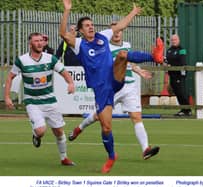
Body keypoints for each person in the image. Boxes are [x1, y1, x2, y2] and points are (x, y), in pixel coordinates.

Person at [59, 0, 163, 173]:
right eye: (86, 26)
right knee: (106, 127)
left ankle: (155, 57)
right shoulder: (79, 44)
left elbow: (120, 25)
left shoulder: (103, 36)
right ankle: (111, 156)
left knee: (122, 55)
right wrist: (67, 10)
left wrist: (133, 12)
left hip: (114, 79)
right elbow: (63, 33)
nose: (91, 27)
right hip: (101, 90)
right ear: (81, 30)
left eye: (92, 24)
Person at [4, 32, 75, 166]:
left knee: (59, 132)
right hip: (32, 102)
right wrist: (7, 97)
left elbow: (64, 72)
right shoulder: (22, 60)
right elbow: (10, 78)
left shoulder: (50, 59)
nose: (39, 43)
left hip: (50, 101)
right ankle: (36, 135)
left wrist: (70, 83)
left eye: (41, 41)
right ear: (30, 44)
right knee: (41, 131)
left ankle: (64, 158)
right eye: (36, 41)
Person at [166, 34, 192, 117]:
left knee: (182, 92)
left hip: (179, 74)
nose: (174, 41)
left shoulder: (182, 50)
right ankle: (183, 109)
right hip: (172, 74)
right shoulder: (169, 50)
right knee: (177, 92)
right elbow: (167, 60)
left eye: (175, 39)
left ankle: (188, 110)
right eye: (172, 40)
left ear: (178, 40)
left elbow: (182, 61)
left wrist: (172, 65)